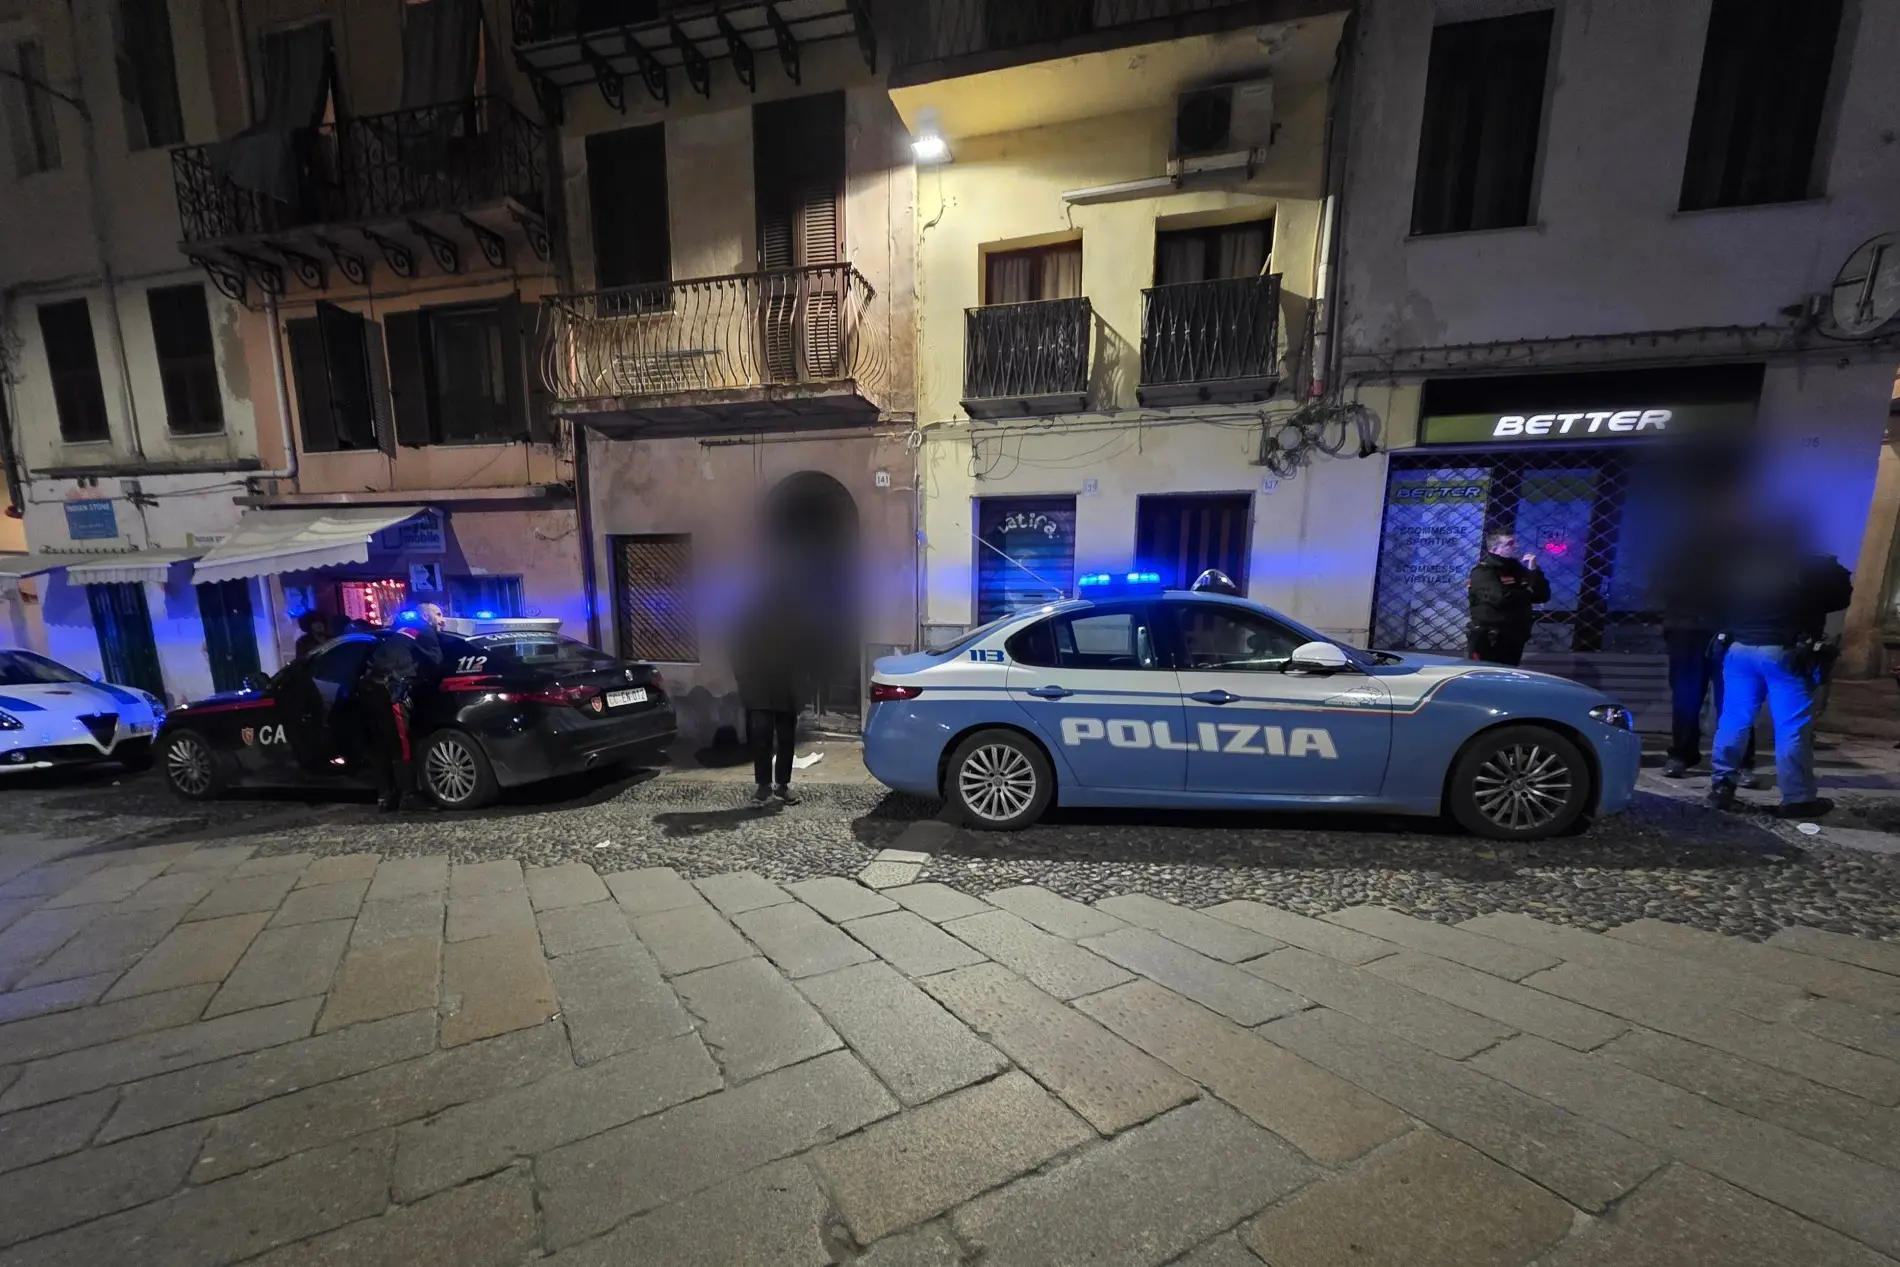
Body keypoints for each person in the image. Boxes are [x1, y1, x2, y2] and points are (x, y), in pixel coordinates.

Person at [1706, 529, 1853, 819]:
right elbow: (1839, 599)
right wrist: (1832, 568)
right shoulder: (1807, 569)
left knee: (1734, 720)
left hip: (1740, 649)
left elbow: (1718, 603)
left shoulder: (1741, 567)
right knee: (1791, 727)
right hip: (1786, 652)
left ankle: (1722, 786)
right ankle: (1798, 799)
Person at [1652, 530, 1758, 783]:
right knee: (1687, 697)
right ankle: (1682, 754)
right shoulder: (1681, 556)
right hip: (1688, 630)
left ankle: (1739, 760)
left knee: (1733, 699)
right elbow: (1659, 589)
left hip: (1728, 632)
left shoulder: (1742, 554)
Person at [730, 583, 813, 807]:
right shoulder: (748, 621)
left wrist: (802, 688)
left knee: (786, 739)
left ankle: (782, 785)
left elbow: (805, 655)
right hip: (759, 690)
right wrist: (745, 682)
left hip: (786, 689)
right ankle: (763, 785)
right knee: (761, 740)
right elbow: (737, 652)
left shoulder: (795, 621)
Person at [357, 631, 440, 812]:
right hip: (390, 694)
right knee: (402, 746)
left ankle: (386, 797)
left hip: (370, 694)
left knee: (380, 746)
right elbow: (435, 662)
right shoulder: (419, 639)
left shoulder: (389, 640)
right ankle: (409, 796)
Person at [1465, 532, 1550, 667]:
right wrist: (1528, 592)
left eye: (1516, 542)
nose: (1516, 546)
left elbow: (1542, 595)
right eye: (1510, 544)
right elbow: (1500, 598)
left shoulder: (1518, 570)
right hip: (1489, 639)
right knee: (1484, 674)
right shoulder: (1484, 571)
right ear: (1495, 549)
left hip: (1515, 637)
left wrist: (1534, 571)